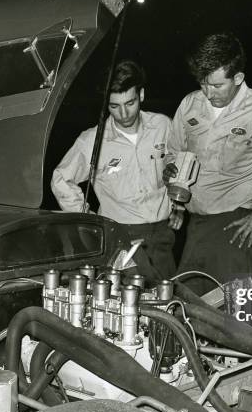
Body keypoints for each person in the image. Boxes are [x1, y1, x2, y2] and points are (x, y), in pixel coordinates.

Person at [164, 32, 252, 295]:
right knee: (186, 307)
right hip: (196, 226)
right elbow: (174, 151)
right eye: (203, 84)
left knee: (229, 315)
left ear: (238, 78)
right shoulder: (190, 104)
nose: (208, 93)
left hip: (237, 226)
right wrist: (170, 172)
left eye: (217, 86)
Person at [52, 60, 176, 279]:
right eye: (114, 106)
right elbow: (61, 179)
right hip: (120, 237)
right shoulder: (92, 140)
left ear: (142, 95)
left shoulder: (164, 126)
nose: (124, 113)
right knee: (130, 304)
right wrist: (89, 220)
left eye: (130, 103)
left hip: (162, 236)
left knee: (168, 300)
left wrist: (178, 204)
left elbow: (179, 165)